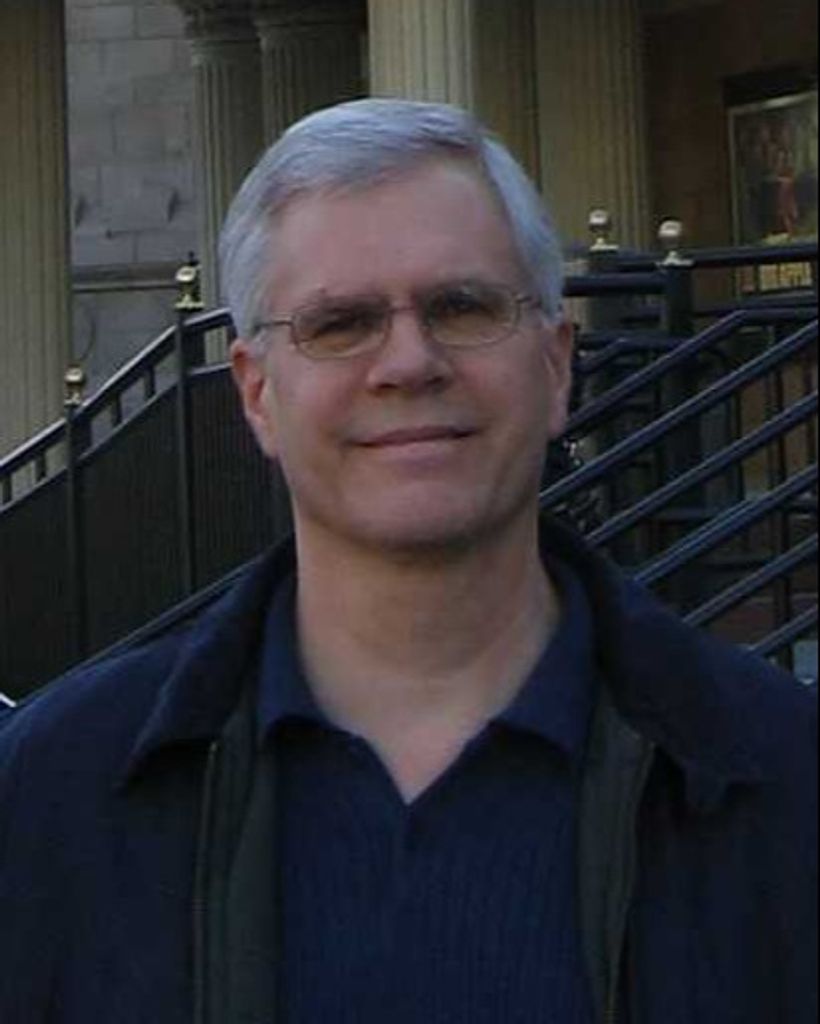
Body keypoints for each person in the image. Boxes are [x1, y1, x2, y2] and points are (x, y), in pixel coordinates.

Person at [0, 99, 815, 1024]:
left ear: (557, 366)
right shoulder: (52, 799)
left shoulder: (781, 780)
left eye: (461, 307)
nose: (409, 363)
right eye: (341, 323)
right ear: (257, 395)